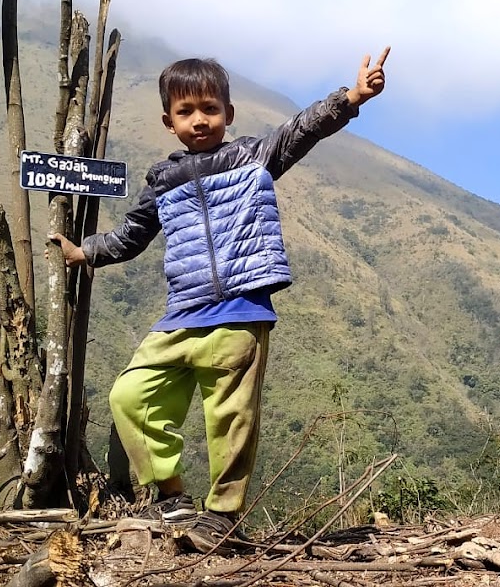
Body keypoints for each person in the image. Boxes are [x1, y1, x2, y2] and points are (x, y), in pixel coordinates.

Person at [49, 46, 390, 553]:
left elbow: (302, 129)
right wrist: (86, 252)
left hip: (240, 312)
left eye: (210, 109)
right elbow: (132, 235)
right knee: (130, 395)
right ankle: (171, 496)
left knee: (231, 419)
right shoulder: (162, 181)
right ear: (169, 122)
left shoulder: (254, 156)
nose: (200, 120)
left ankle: (223, 516)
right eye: (186, 112)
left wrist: (351, 97)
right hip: (182, 313)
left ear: (228, 115)